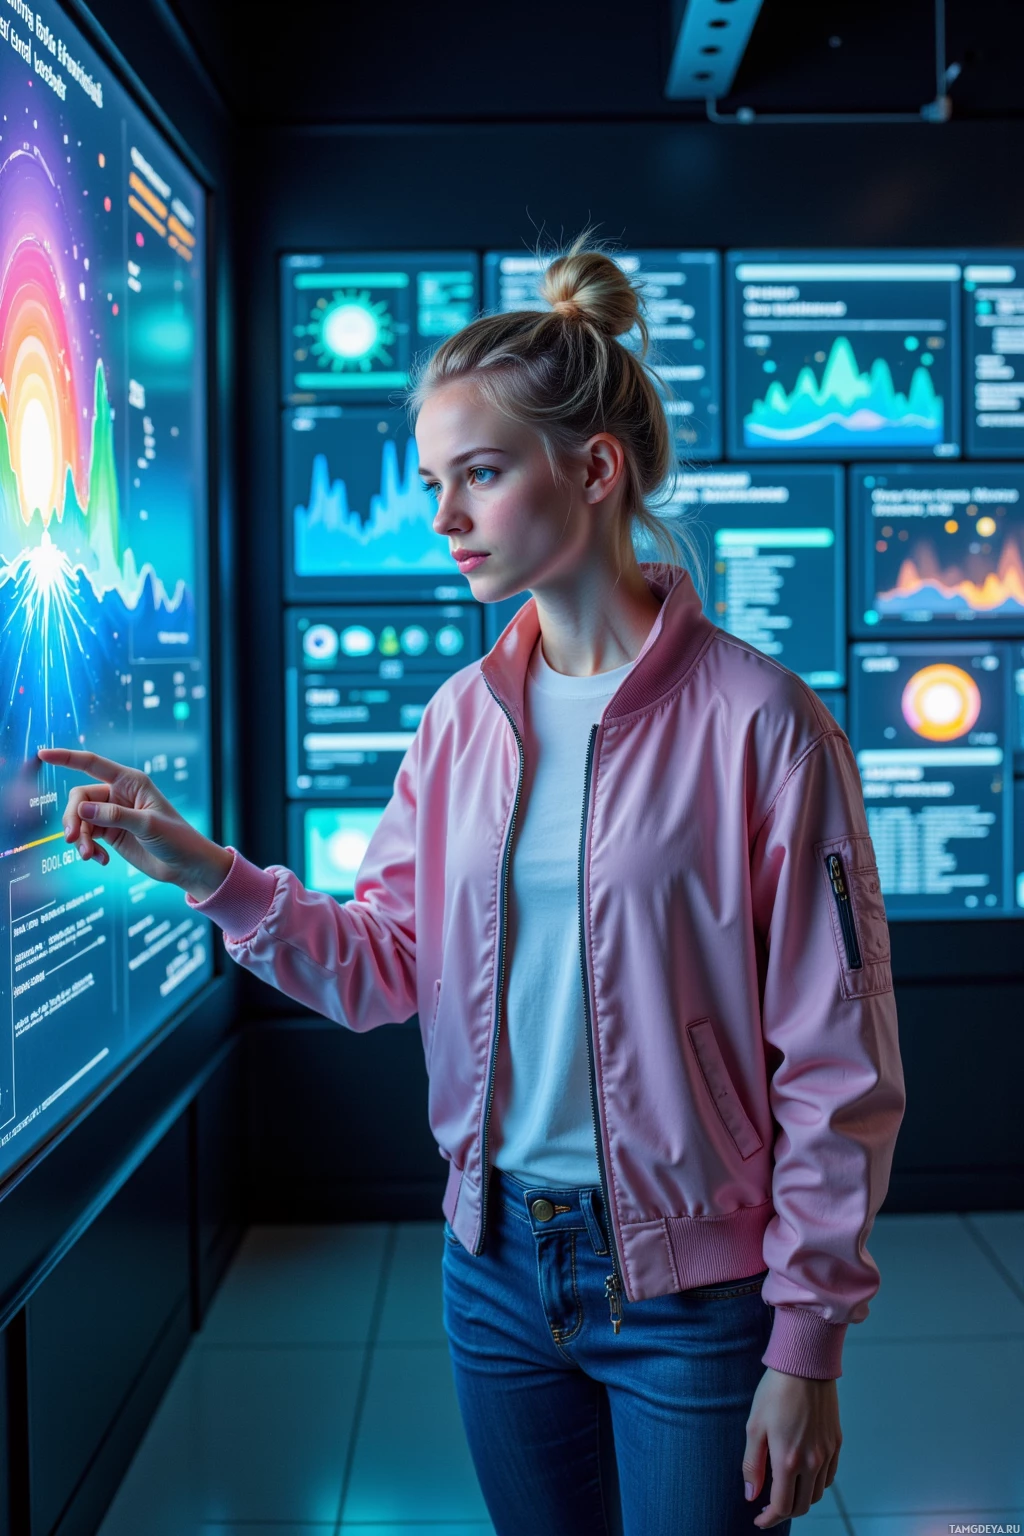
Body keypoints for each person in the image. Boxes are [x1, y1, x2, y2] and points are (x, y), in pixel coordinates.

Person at [40, 235, 906, 1536]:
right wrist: (207, 873)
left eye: (480, 476)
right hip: (493, 1268)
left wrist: (809, 1341)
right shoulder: (460, 722)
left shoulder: (766, 726)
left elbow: (839, 1061)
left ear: (595, 471)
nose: (442, 517)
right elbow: (388, 966)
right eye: (435, 482)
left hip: (693, 1294)